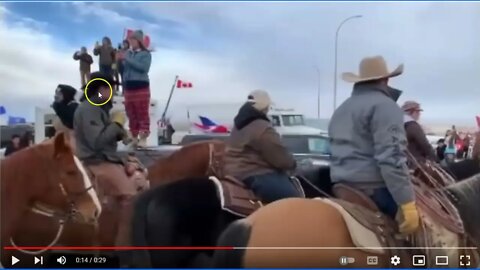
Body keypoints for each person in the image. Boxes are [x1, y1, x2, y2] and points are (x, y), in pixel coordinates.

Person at [328, 56, 419, 235]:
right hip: (373, 188)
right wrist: (406, 201)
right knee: (427, 230)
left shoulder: (341, 109)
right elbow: (391, 157)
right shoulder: (386, 106)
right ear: (386, 79)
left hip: (342, 186)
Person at [73, 72, 149, 249]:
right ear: (101, 89)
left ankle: (111, 235)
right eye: (110, 88)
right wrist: (116, 124)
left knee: (117, 201)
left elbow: (104, 135)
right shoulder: (90, 109)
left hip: (104, 159)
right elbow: (97, 142)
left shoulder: (98, 108)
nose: (113, 92)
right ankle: (126, 246)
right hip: (97, 162)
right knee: (131, 197)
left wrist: (122, 135)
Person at [223, 90, 300, 204]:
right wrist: (292, 163)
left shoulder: (239, 123)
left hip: (233, 171)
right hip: (254, 173)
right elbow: (280, 158)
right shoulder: (262, 128)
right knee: (293, 199)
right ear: (265, 107)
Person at [117, 30, 152, 148]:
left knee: (142, 112)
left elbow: (143, 68)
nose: (131, 42)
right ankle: (134, 136)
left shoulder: (146, 54)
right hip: (128, 87)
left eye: (133, 40)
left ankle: (143, 137)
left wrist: (127, 59)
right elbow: (123, 71)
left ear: (139, 41)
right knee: (131, 113)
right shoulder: (129, 53)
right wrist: (119, 61)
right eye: (130, 40)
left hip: (141, 86)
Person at [51, 84, 79, 151]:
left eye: (59, 94)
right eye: (56, 93)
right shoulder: (61, 108)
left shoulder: (73, 108)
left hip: (73, 146)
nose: (56, 96)